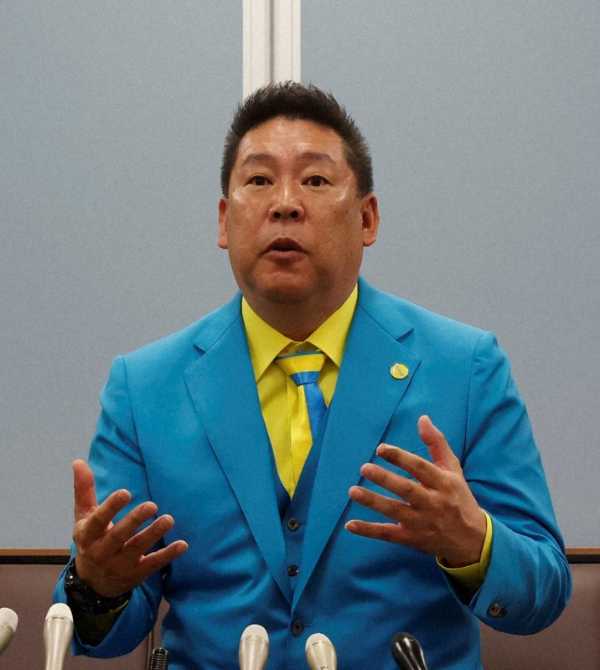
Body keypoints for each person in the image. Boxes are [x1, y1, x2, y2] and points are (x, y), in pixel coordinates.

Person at [54, 82, 571, 669]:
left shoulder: (465, 368)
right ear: (224, 221)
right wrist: (98, 587)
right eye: (258, 180)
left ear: (367, 218)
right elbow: (102, 634)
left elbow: (543, 591)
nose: (285, 203)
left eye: (316, 180)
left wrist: (473, 540)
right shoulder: (145, 388)